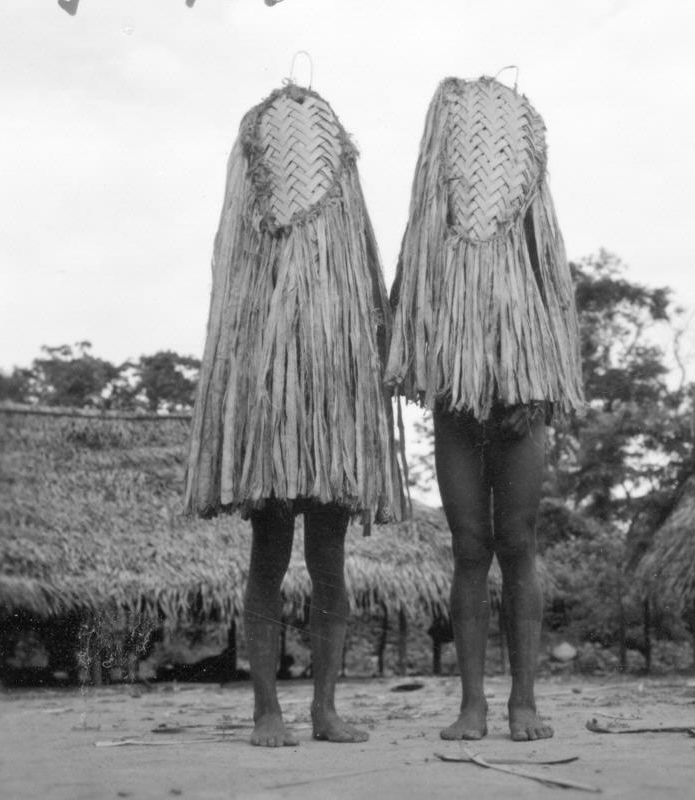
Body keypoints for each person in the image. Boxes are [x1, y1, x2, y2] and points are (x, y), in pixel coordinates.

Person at [184, 83, 403, 746]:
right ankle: (266, 711)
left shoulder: (344, 233)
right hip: (271, 414)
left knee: (329, 559)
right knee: (269, 557)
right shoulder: (250, 246)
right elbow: (232, 317)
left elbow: (368, 299)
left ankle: (325, 709)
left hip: (334, 408)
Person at [386, 76, 584, 741]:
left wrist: (539, 387)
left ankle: (524, 701)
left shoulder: (535, 221)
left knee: (518, 542)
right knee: (470, 546)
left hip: (519, 399)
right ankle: (472, 704)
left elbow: (556, 300)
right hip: (457, 403)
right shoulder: (430, 225)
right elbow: (411, 305)